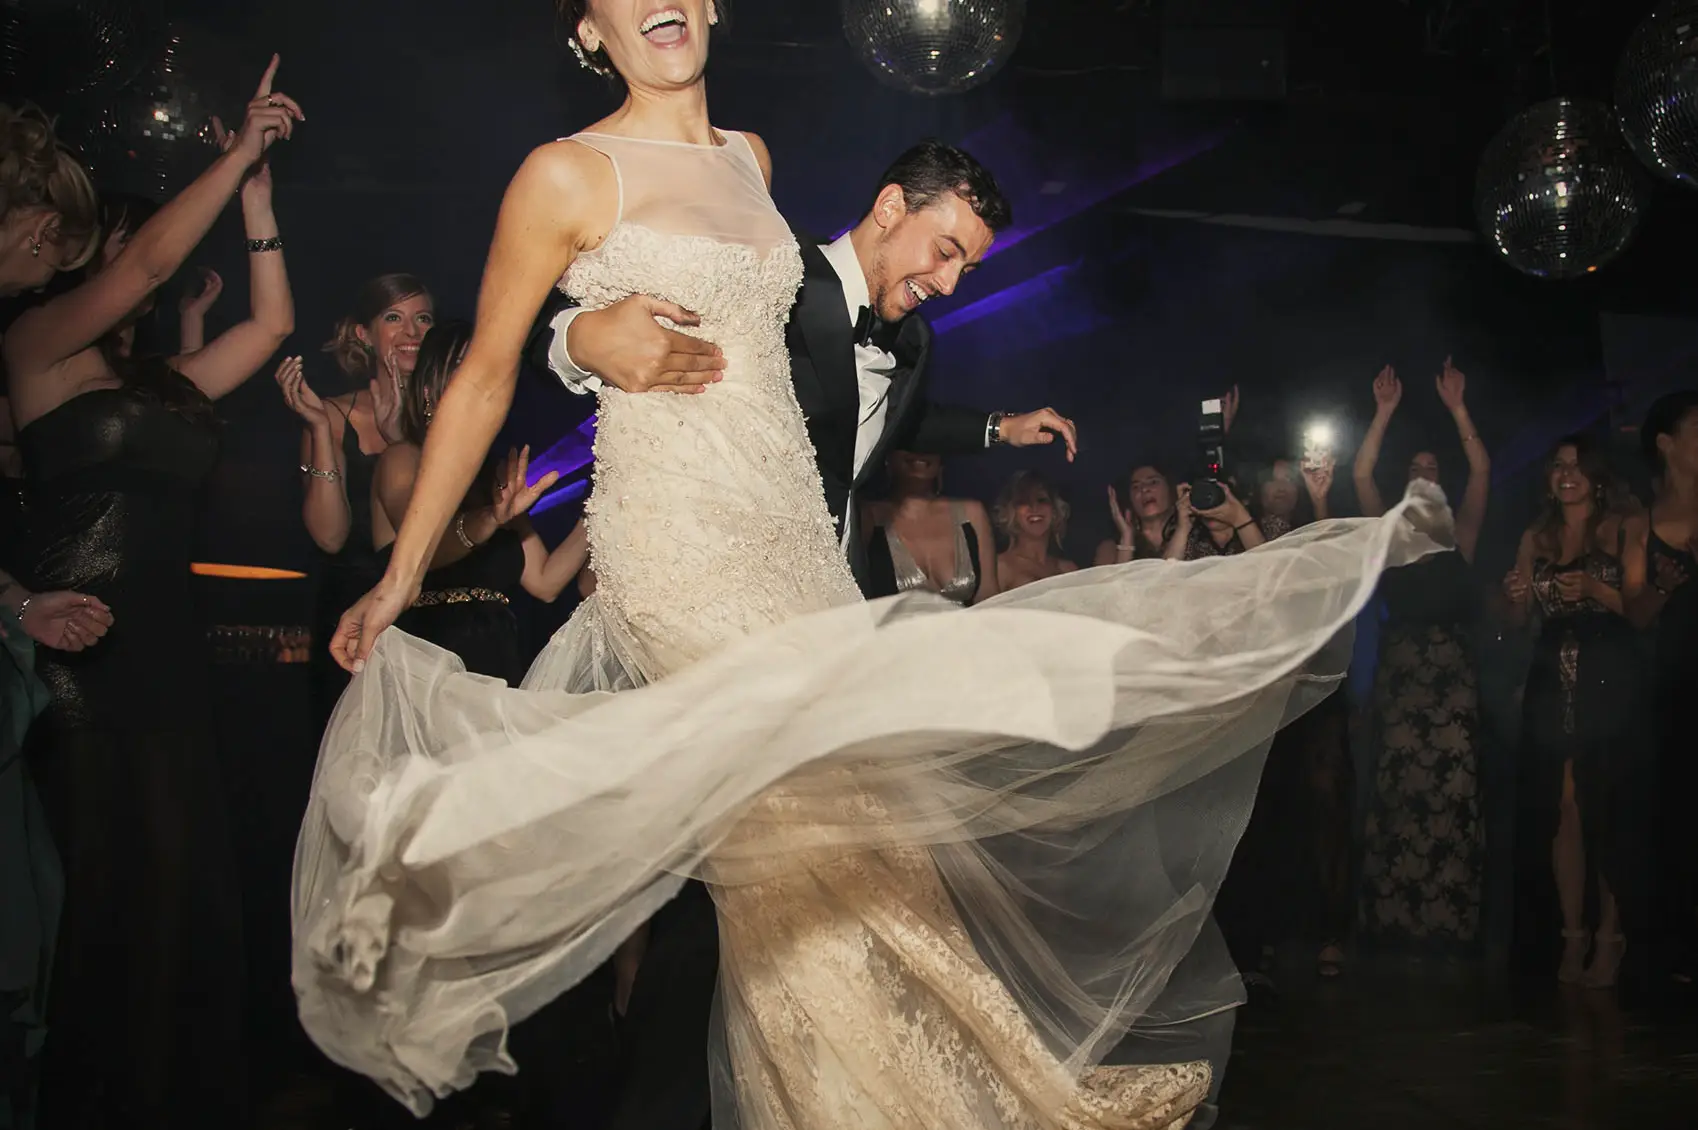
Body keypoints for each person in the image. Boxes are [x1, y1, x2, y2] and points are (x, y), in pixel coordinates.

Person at [297, 5, 1446, 1127]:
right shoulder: (563, 174)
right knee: (809, 845)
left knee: (865, 855)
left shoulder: (750, 159)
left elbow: (777, 355)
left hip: (797, 549)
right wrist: (553, 373)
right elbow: (492, 369)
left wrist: (995, 428)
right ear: (589, 26)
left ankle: (905, 1092)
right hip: (683, 541)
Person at [4, 59, 300, 1127]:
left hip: (166, 648)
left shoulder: (160, 388)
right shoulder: (33, 350)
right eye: (124, 253)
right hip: (79, 660)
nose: (138, 272)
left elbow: (270, 328)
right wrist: (233, 151)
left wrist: (257, 198)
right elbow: (147, 268)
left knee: (183, 887)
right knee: (105, 891)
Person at [1353, 360, 1489, 949]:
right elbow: (1361, 473)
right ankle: (1397, 924)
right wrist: (1383, 412)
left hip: (1453, 678)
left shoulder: (1462, 534)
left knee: (1452, 794)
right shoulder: (1390, 534)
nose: (1424, 475)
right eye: (1415, 469)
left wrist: (1458, 408)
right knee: (1400, 793)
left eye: (1432, 469)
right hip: (1403, 675)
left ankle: (1450, 924)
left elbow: (1481, 469)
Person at [1503, 437, 1648, 988]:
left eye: (1577, 466)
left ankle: (1611, 936)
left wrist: (1593, 588)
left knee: (1605, 802)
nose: (1567, 474)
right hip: (1551, 673)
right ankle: (1572, 935)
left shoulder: (1624, 526)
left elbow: (1640, 609)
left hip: (1608, 669)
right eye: (1559, 466)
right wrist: (1515, 597)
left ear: (1597, 475)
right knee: (1562, 806)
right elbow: (1518, 623)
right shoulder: (1534, 536)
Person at [279, 273, 436, 732]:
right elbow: (330, 537)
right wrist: (319, 430)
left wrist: (402, 439)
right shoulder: (331, 414)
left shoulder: (454, 416)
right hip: (353, 617)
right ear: (364, 335)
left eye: (423, 318)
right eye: (394, 318)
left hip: (433, 608)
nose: (412, 332)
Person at [861, 451, 998, 605]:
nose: (920, 452)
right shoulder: (868, 517)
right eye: (909, 444)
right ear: (888, 454)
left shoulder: (971, 513)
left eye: (929, 446)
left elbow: (989, 598)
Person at [994, 470, 1078, 592]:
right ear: (1012, 513)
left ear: (1054, 511)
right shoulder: (1000, 567)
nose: (1034, 508)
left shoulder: (1068, 569)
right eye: (1024, 501)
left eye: (1041, 500)